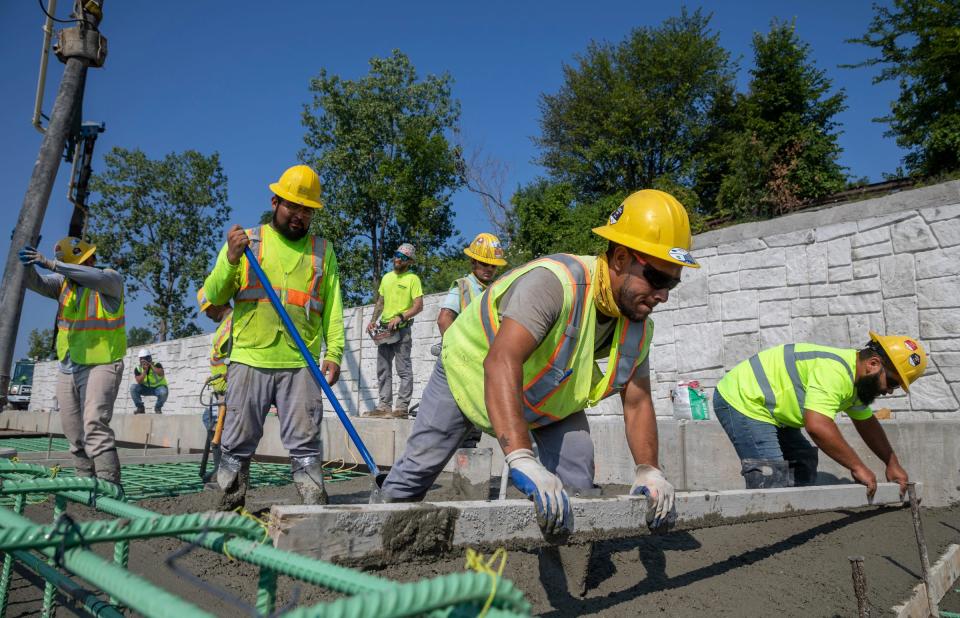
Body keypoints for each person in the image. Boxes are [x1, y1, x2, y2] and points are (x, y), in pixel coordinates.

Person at [376, 190, 699, 536]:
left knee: (577, 473)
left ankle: (569, 562)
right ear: (620, 258)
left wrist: (649, 469)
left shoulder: (637, 328)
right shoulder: (556, 283)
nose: (663, 294)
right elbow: (502, 361)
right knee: (416, 471)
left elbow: (637, 401)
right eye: (658, 279)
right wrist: (520, 455)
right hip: (467, 374)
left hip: (544, 398)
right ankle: (371, 542)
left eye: (672, 283)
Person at [203, 164, 344, 509]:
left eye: (306, 210)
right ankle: (229, 507)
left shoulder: (323, 251)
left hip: (302, 361)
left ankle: (314, 509)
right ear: (275, 201)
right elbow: (215, 295)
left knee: (306, 444)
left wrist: (335, 352)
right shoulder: (246, 243)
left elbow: (333, 308)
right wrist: (231, 260)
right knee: (237, 442)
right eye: (292, 206)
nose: (299, 215)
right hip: (251, 358)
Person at [713, 332, 925, 497]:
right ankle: (766, 532)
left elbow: (866, 423)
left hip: (771, 408)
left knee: (803, 461)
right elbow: (817, 426)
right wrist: (857, 467)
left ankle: (790, 519)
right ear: (873, 364)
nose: (890, 391)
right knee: (770, 477)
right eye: (893, 382)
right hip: (743, 399)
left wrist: (891, 463)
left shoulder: (858, 382)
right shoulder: (835, 372)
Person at [18, 237, 126, 486]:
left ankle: (110, 486)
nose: (89, 262)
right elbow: (33, 282)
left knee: (94, 423)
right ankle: (85, 481)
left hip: (102, 362)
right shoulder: (64, 284)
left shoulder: (109, 279)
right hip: (68, 365)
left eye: (88, 259)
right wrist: (26, 262)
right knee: (73, 430)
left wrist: (51, 263)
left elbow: (92, 277)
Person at [434, 232, 507, 447]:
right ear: (473, 261)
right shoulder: (464, 286)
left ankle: (468, 473)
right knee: (460, 420)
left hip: (484, 364)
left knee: (474, 425)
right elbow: (444, 319)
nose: (488, 269)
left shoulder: (495, 289)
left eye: (492, 266)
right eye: (484, 263)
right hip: (466, 363)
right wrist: (456, 354)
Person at [364, 243, 423, 419]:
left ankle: (401, 408)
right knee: (383, 369)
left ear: (409, 261)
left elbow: (418, 306)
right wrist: (373, 321)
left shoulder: (413, 279)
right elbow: (380, 302)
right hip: (384, 330)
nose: (398, 258)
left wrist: (401, 317)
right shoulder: (387, 278)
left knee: (403, 369)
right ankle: (384, 407)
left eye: (403, 257)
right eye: (397, 254)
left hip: (402, 330)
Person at [197, 287, 232, 482]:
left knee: (224, 432)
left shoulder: (230, 324)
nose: (207, 315)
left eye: (208, 309)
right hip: (221, 392)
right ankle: (220, 469)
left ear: (219, 302)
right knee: (214, 427)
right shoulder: (224, 325)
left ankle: (224, 473)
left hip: (229, 392)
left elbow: (235, 355)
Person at [130, 349, 168, 414]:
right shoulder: (138, 368)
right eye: (140, 359)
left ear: (149, 358)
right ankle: (140, 408)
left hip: (158, 388)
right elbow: (139, 381)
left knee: (163, 392)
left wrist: (151, 365)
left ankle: (158, 408)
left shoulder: (157, 364)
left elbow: (161, 373)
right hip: (146, 388)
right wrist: (145, 371)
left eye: (144, 358)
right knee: (133, 387)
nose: (142, 361)